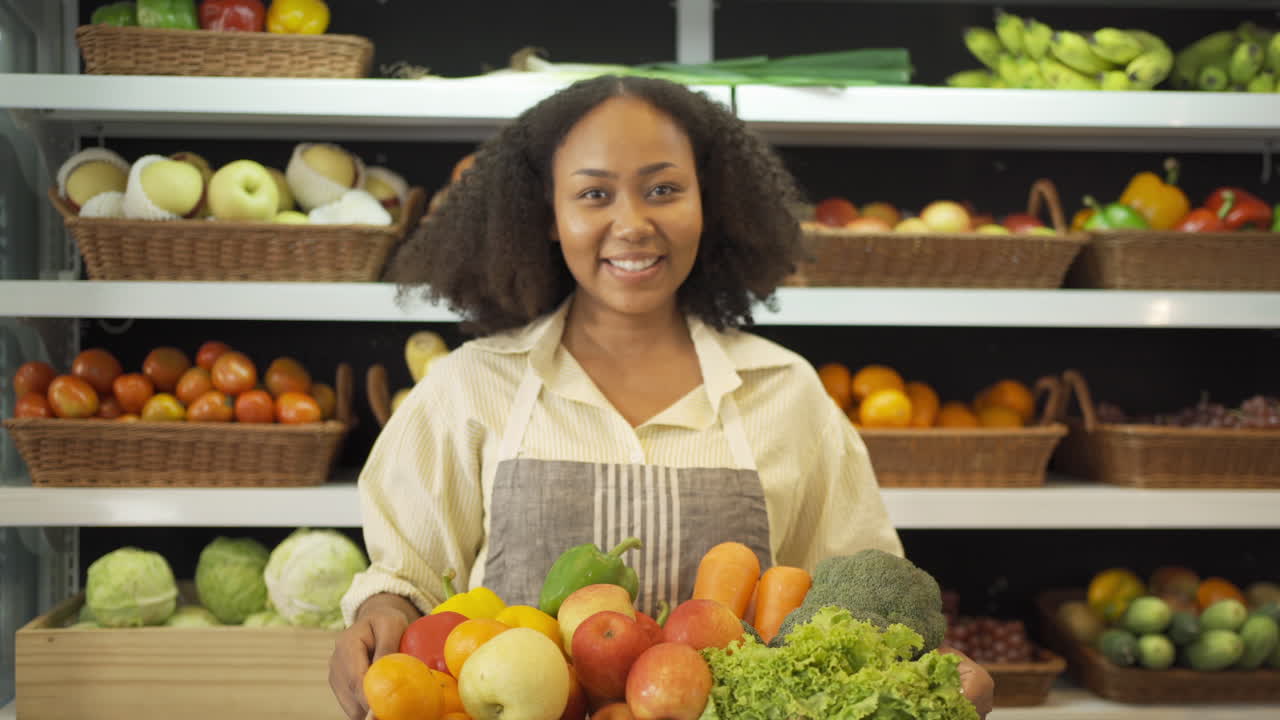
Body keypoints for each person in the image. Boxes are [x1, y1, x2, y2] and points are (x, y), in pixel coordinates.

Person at [328, 75, 993, 719]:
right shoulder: (468, 389)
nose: (634, 223)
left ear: (711, 203)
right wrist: (380, 614)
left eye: (664, 188)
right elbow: (407, 582)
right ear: (548, 216)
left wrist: (931, 682)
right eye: (593, 195)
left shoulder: (786, 395)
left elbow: (867, 602)